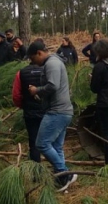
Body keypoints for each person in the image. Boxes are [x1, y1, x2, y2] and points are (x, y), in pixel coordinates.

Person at [27, 41, 78, 192]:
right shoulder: (54, 62)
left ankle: (66, 173)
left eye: (32, 58)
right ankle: (62, 180)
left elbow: (53, 86)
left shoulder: (52, 64)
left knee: (41, 144)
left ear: (39, 53)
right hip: (63, 110)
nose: (32, 62)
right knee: (56, 147)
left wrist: (37, 90)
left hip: (57, 112)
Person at [12, 61, 47, 162]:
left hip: (30, 113)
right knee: (50, 141)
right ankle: (58, 169)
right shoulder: (47, 71)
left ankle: (36, 169)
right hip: (47, 111)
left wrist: (23, 105)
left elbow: (16, 95)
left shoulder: (21, 73)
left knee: (34, 141)